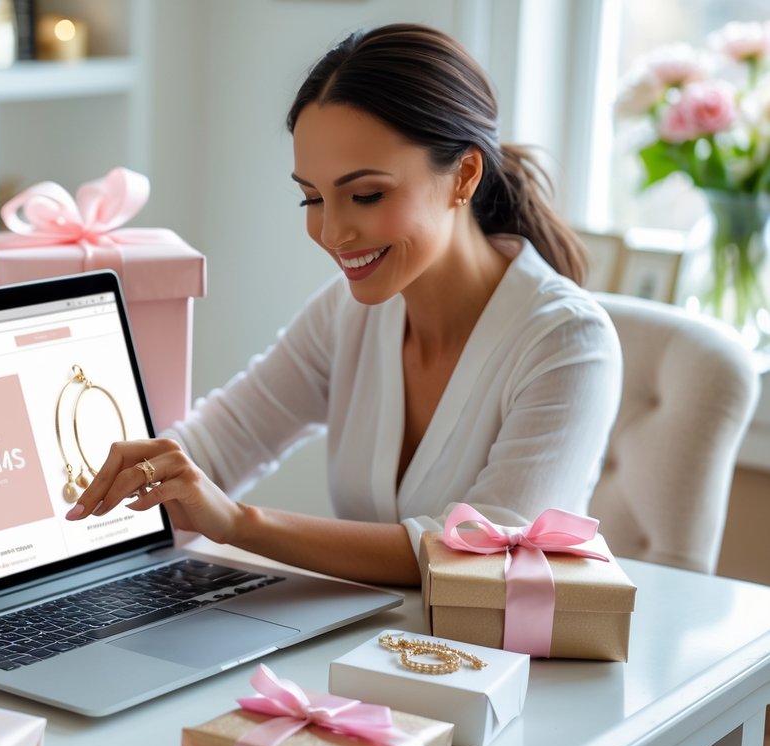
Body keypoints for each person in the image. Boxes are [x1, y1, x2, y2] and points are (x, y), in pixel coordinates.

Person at [64, 22, 621, 586]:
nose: (332, 232)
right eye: (312, 197)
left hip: (501, 669)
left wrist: (238, 523)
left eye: (366, 195)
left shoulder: (567, 343)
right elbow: (219, 444)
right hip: (372, 649)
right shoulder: (349, 314)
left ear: (464, 175)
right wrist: (68, 487)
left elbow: (484, 558)